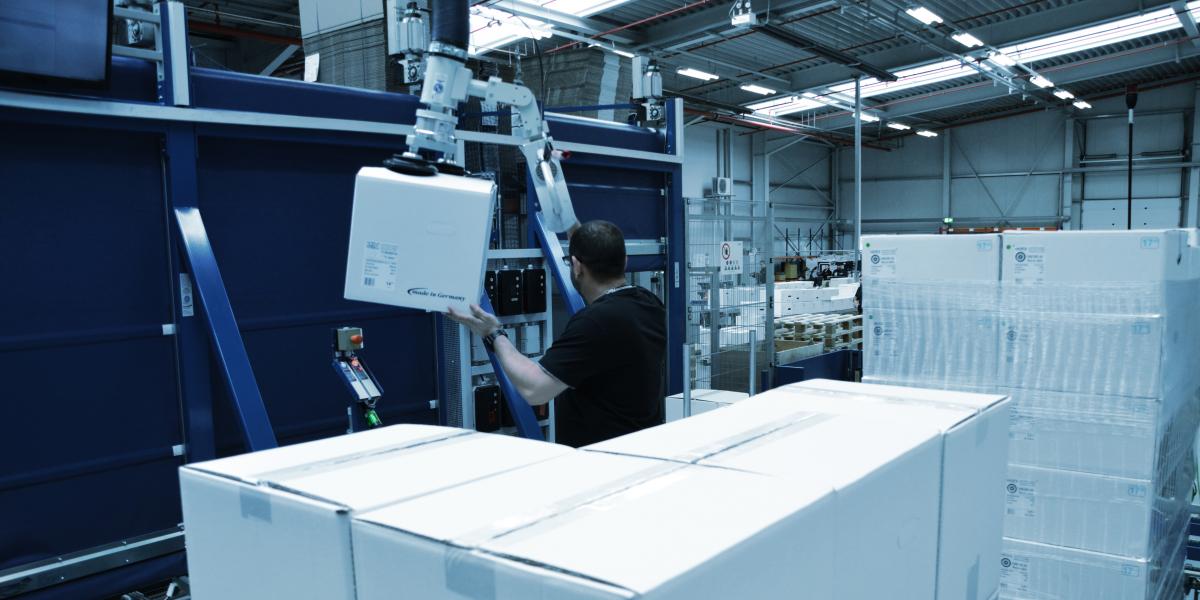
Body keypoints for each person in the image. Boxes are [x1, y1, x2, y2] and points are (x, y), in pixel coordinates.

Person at [447, 220, 666, 447]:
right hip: (641, 447)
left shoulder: (596, 322)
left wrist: (493, 333)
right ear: (624, 261)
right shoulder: (649, 304)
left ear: (576, 266)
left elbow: (534, 389)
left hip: (603, 460)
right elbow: (599, 251)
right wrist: (575, 229)